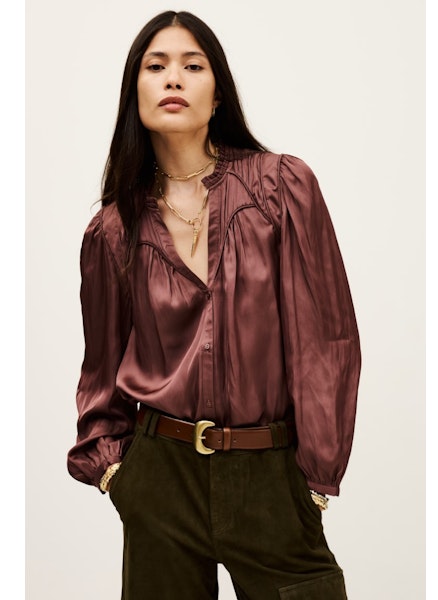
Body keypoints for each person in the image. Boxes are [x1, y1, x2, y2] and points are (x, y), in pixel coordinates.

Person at [67, 10, 361, 600]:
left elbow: (324, 341)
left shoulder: (280, 188)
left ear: (218, 92)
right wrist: (119, 475)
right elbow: (101, 371)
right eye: (156, 66)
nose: (173, 78)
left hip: (269, 474)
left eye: (192, 66)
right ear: (135, 91)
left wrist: (314, 480)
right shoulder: (113, 231)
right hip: (161, 477)